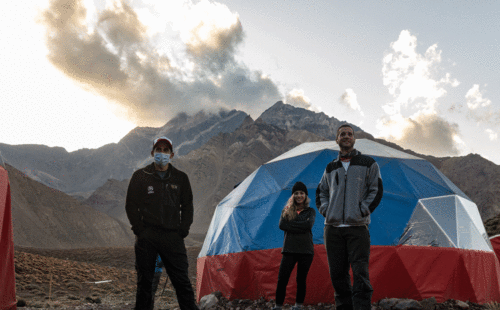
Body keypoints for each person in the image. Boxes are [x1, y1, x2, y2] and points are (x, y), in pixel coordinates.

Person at [126, 136, 198, 310]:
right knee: (145, 284)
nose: (162, 153)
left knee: (182, 282)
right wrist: (139, 230)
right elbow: (131, 205)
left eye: (166, 150)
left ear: (171, 155)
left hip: (173, 237)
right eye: (159, 150)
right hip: (147, 237)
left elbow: (187, 205)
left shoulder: (180, 178)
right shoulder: (140, 176)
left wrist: (183, 230)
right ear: (152, 153)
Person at [316, 125, 383, 310]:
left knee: (360, 273)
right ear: (337, 139)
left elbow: (376, 190)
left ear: (354, 139)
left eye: (350, 134)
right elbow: (321, 191)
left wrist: (362, 210)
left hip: (357, 227)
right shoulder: (330, 167)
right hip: (333, 229)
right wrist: (326, 210)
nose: (346, 137)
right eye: (342, 134)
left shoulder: (369, 163)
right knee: (338, 275)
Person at [273, 181, 316, 310]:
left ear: (305, 195)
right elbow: (282, 225)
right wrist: (300, 226)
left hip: (306, 251)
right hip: (289, 250)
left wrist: (291, 225)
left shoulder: (310, 211)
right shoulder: (286, 210)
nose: (299, 195)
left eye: (301, 193)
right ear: (292, 196)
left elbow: (308, 226)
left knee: (300, 279)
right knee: (282, 279)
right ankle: (278, 306)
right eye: (296, 193)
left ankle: (298, 306)